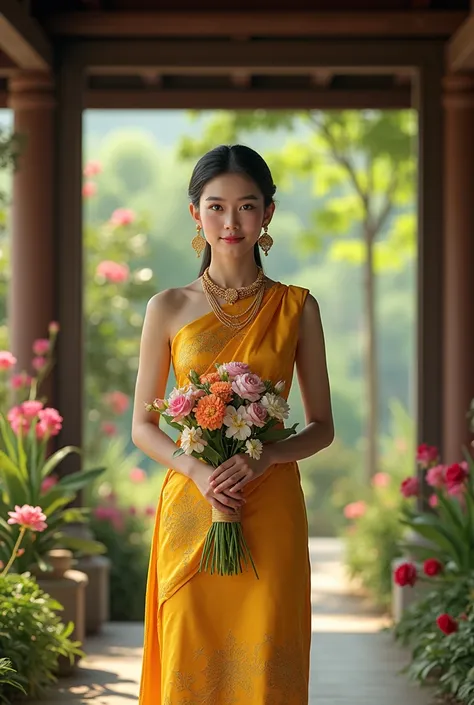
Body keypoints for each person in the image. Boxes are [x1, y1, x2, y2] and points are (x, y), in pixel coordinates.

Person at [132, 144, 334, 705]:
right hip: (192, 505)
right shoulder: (166, 307)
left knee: (266, 661)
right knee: (189, 656)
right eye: (216, 206)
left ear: (267, 214)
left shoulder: (297, 308)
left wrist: (265, 456)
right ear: (195, 212)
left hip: (269, 509)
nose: (230, 221)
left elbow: (321, 426)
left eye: (246, 206)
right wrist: (198, 471)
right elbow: (143, 426)